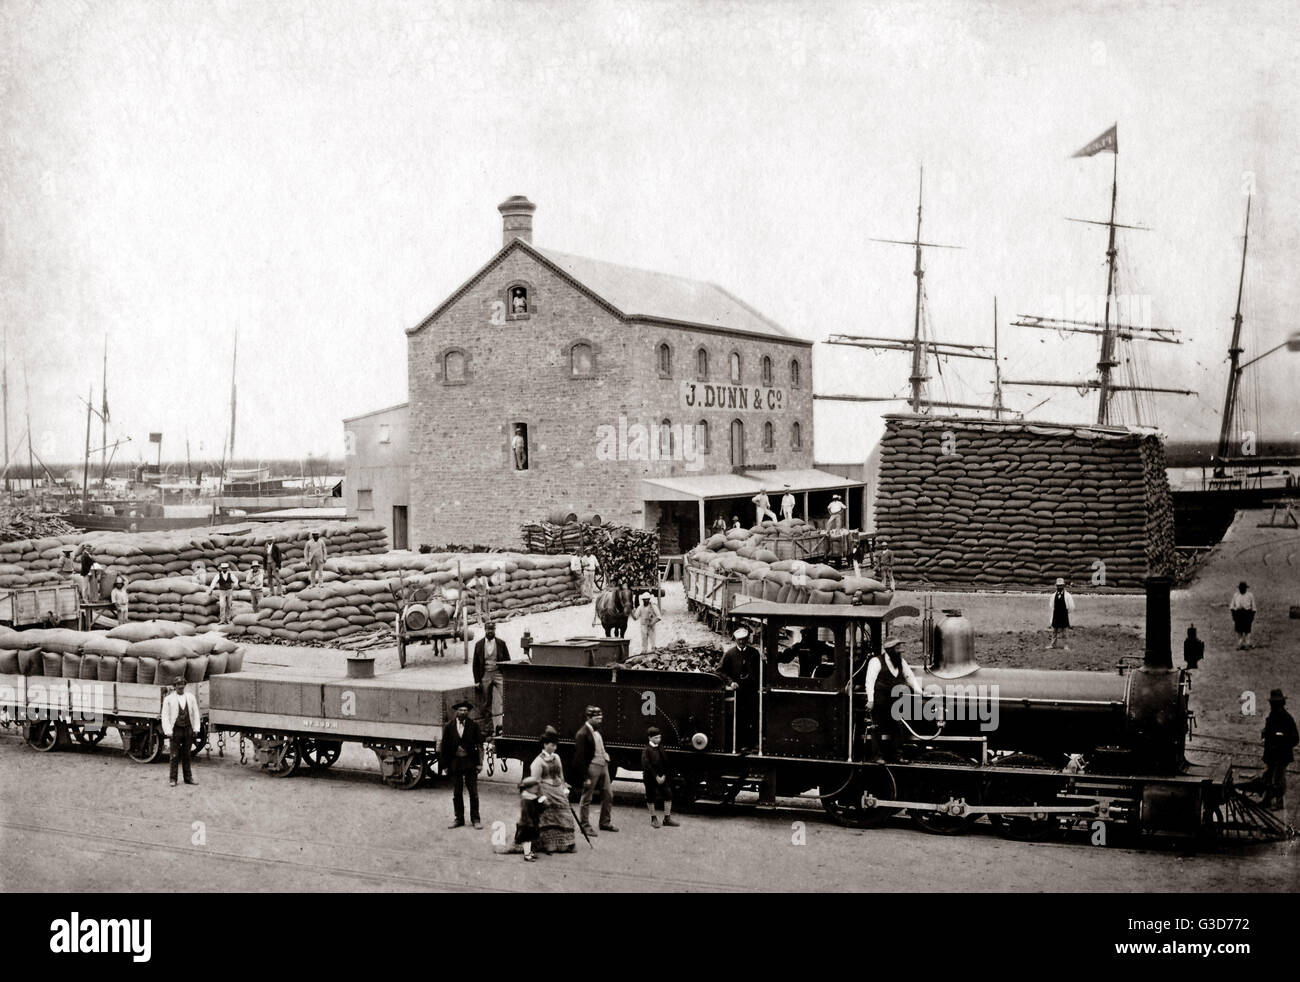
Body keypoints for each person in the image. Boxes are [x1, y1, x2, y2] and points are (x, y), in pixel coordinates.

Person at [865, 638, 924, 761]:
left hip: (895, 701)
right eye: (897, 649)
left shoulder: (901, 662)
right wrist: (870, 700)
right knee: (877, 728)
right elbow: (869, 682)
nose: (900, 652)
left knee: (897, 727)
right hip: (880, 700)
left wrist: (920, 692)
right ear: (889, 650)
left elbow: (910, 678)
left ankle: (898, 756)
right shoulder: (875, 662)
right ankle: (877, 756)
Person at [529, 727, 576, 853]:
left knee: (565, 814)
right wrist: (541, 797)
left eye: (556, 745)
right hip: (545, 791)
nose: (555, 748)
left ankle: (565, 843)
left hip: (558, 790)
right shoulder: (538, 762)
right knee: (547, 817)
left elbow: (561, 776)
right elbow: (535, 782)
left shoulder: (557, 757)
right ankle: (547, 843)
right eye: (552, 745)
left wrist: (564, 787)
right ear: (545, 745)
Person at [573, 705, 617, 836]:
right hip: (592, 768)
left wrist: (605, 754)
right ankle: (585, 826)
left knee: (608, 794)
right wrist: (585, 776)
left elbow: (599, 747)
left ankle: (605, 822)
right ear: (589, 718)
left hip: (603, 766)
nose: (600, 721)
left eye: (601, 718)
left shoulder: (596, 732)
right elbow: (580, 758)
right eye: (597, 718)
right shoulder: (582, 734)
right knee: (587, 797)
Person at [439, 700, 483, 829]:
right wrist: (445, 765)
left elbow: (480, 746)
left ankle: (475, 819)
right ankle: (459, 819)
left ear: (468, 712)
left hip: (470, 762)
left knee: (473, 792)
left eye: (465, 710)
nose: (463, 712)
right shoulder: (449, 727)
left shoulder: (474, 726)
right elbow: (444, 747)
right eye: (460, 710)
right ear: (456, 711)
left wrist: (480, 763)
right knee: (457, 792)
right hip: (455, 763)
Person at [717, 626, 761, 750]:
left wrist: (759, 685)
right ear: (735, 640)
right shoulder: (730, 654)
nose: (741, 642)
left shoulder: (754, 653)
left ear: (747, 639)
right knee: (739, 717)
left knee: (753, 716)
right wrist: (730, 682)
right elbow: (719, 671)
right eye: (739, 640)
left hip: (752, 691)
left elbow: (761, 671)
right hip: (738, 691)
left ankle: (753, 743)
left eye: (743, 639)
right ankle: (740, 744)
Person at [1261, 689, 1298, 810]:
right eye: (1272, 703)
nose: (1272, 705)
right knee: (1268, 776)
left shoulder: (1286, 718)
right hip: (1272, 754)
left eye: (1275, 703)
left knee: (1278, 779)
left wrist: (1282, 743)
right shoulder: (1272, 716)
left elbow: (1295, 738)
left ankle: (1279, 802)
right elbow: (1270, 733)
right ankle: (1267, 800)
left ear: (1281, 703)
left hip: (1281, 755)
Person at [472, 622, 511, 735]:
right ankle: (488, 728)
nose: (490, 631)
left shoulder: (501, 643)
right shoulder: (479, 644)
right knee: (486, 703)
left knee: (506, 698)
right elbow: (475, 664)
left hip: (498, 673)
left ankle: (507, 725)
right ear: (484, 630)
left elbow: (508, 660)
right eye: (488, 629)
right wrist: (477, 680)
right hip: (485, 674)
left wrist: (507, 676)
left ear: (495, 629)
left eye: (492, 629)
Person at [161, 678, 200, 787]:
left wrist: (196, 728)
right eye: (178, 685)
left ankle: (188, 778)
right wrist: (168, 731)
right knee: (174, 755)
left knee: (187, 754)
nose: (180, 687)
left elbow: (196, 713)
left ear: (185, 685)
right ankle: (173, 779)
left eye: (182, 684)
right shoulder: (169, 699)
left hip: (188, 729)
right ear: (174, 686)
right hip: (175, 730)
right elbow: (165, 716)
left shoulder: (191, 697)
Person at [641, 725, 680, 828]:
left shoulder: (660, 747)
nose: (658, 740)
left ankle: (667, 818)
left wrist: (664, 776)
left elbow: (666, 762)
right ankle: (653, 818)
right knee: (650, 797)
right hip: (650, 778)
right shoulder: (647, 750)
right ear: (650, 738)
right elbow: (647, 765)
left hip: (662, 777)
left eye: (659, 737)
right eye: (656, 738)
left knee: (668, 795)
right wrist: (656, 777)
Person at [513, 777, 545, 861]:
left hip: (532, 821)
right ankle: (527, 855)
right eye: (535, 788)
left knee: (530, 839)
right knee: (527, 839)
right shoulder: (527, 799)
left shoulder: (532, 797)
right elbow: (525, 812)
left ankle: (529, 852)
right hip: (527, 823)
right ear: (528, 788)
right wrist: (528, 822)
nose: (537, 789)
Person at [1047, 577, 1075, 650]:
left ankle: (1066, 645)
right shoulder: (1053, 596)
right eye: (1058, 586)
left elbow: (1071, 607)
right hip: (1056, 615)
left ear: (1063, 586)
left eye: (1061, 585)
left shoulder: (1068, 596)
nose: (1059, 587)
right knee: (1054, 631)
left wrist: (1065, 613)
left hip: (1063, 615)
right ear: (1056, 586)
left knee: (1065, 632)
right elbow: (1052, 606)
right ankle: (1053, 644)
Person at [1230, 581, 1257, 649]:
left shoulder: (1250, 595)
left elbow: (1253, 607)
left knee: (1247, 629)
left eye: (1243, 588)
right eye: (1241, 588)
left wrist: (1252, 616)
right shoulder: (1236, 595)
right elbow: (1232, 606)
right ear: (1239, 588)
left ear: (1246, 588)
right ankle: (1240, 643)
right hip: (1238, 614)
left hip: (1247, 613)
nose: (1242, 589)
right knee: (1239, 630)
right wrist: (1233, 615)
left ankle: (1247, 643)